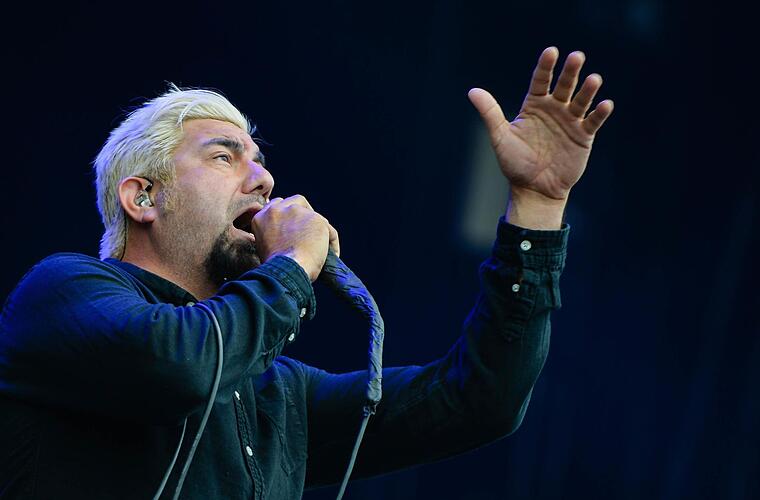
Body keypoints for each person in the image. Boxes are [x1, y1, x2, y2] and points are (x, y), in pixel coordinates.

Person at [0, 47, 612, 499]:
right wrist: (293, 263)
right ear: (144, 197)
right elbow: (180, 365)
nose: (263, 179)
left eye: (260, 161)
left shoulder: (278, 396)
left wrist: (537, 208)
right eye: (224, 157)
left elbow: (478, 401)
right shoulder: (61, 292)